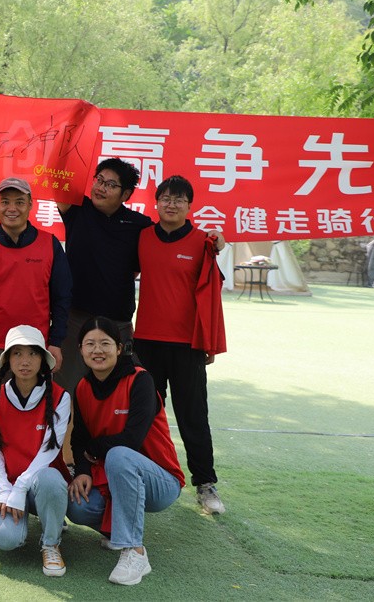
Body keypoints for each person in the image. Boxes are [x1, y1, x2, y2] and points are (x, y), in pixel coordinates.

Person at [66, 317, 185, 586]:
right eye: (90, 344)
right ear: (80, 349)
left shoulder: (140, 380)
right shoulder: (83, 387)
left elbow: (132, 439)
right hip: (113, 476)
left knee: (119, 454)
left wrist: (93, 449)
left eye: (105, 343)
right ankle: (117, 532)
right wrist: (82, 471)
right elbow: (79, 439)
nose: (98, 350)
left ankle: (135, 551)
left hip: (160, 481)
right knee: (77, 505)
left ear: (119, 348)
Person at [134, 175, 227, 515]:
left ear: (190, 206)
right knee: (144, 414)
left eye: (179, 199)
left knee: (193, 416)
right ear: (156, 203)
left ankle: (205, 484)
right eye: (165, 198)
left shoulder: (203, 241)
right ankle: (142, 478)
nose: (171, 204)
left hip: (188, 344)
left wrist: (208, 342)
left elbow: (212, 292)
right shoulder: (142, 237)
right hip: (145, 341)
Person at [0, 177, 72, 415]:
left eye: (19, 202)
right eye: (5, 202)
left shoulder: (50, 244)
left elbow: (62, 298)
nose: (12, 208)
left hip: (36, 345)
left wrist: (56, 341)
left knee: (36, 415)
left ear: (30, 205)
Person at [53, 158, 152, 391]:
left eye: (110, 184)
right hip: (75, 318)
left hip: (117, 321)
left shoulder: (139, 225)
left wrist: (214, 239)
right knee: (66, 389)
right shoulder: (77, 208)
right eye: (99, 180)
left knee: (117, 390)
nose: (100, 187)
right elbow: (57, 177)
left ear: (126, 194)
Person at [0, 325, 72, 578]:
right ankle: (35, 518)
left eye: (32, 353)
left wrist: (21, 487)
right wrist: (5, 490)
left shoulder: (60, 397)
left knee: (51, 480)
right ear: (7, 360)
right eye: (17, 353)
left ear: (43, 359)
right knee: (4, 538)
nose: (25, 361)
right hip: (5, 481)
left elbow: (50, 449)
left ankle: (51, 543)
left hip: (42, 480)